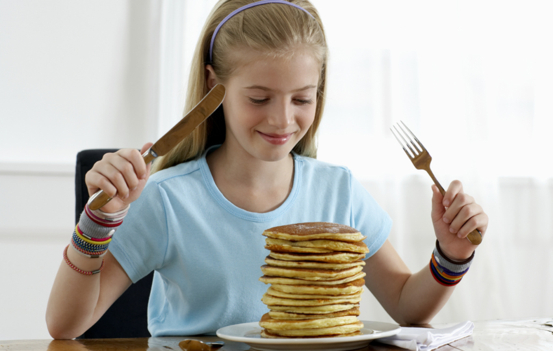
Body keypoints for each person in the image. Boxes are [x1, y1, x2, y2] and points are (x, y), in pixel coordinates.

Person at [46, 0, 489, 339]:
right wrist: (99, 220)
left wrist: (452, 253)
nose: (282, 120)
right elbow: (65, 326)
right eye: (259, 98)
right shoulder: (166, 199)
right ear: (212, 87)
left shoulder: (339, 191)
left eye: (302, 99)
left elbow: (408, 307)